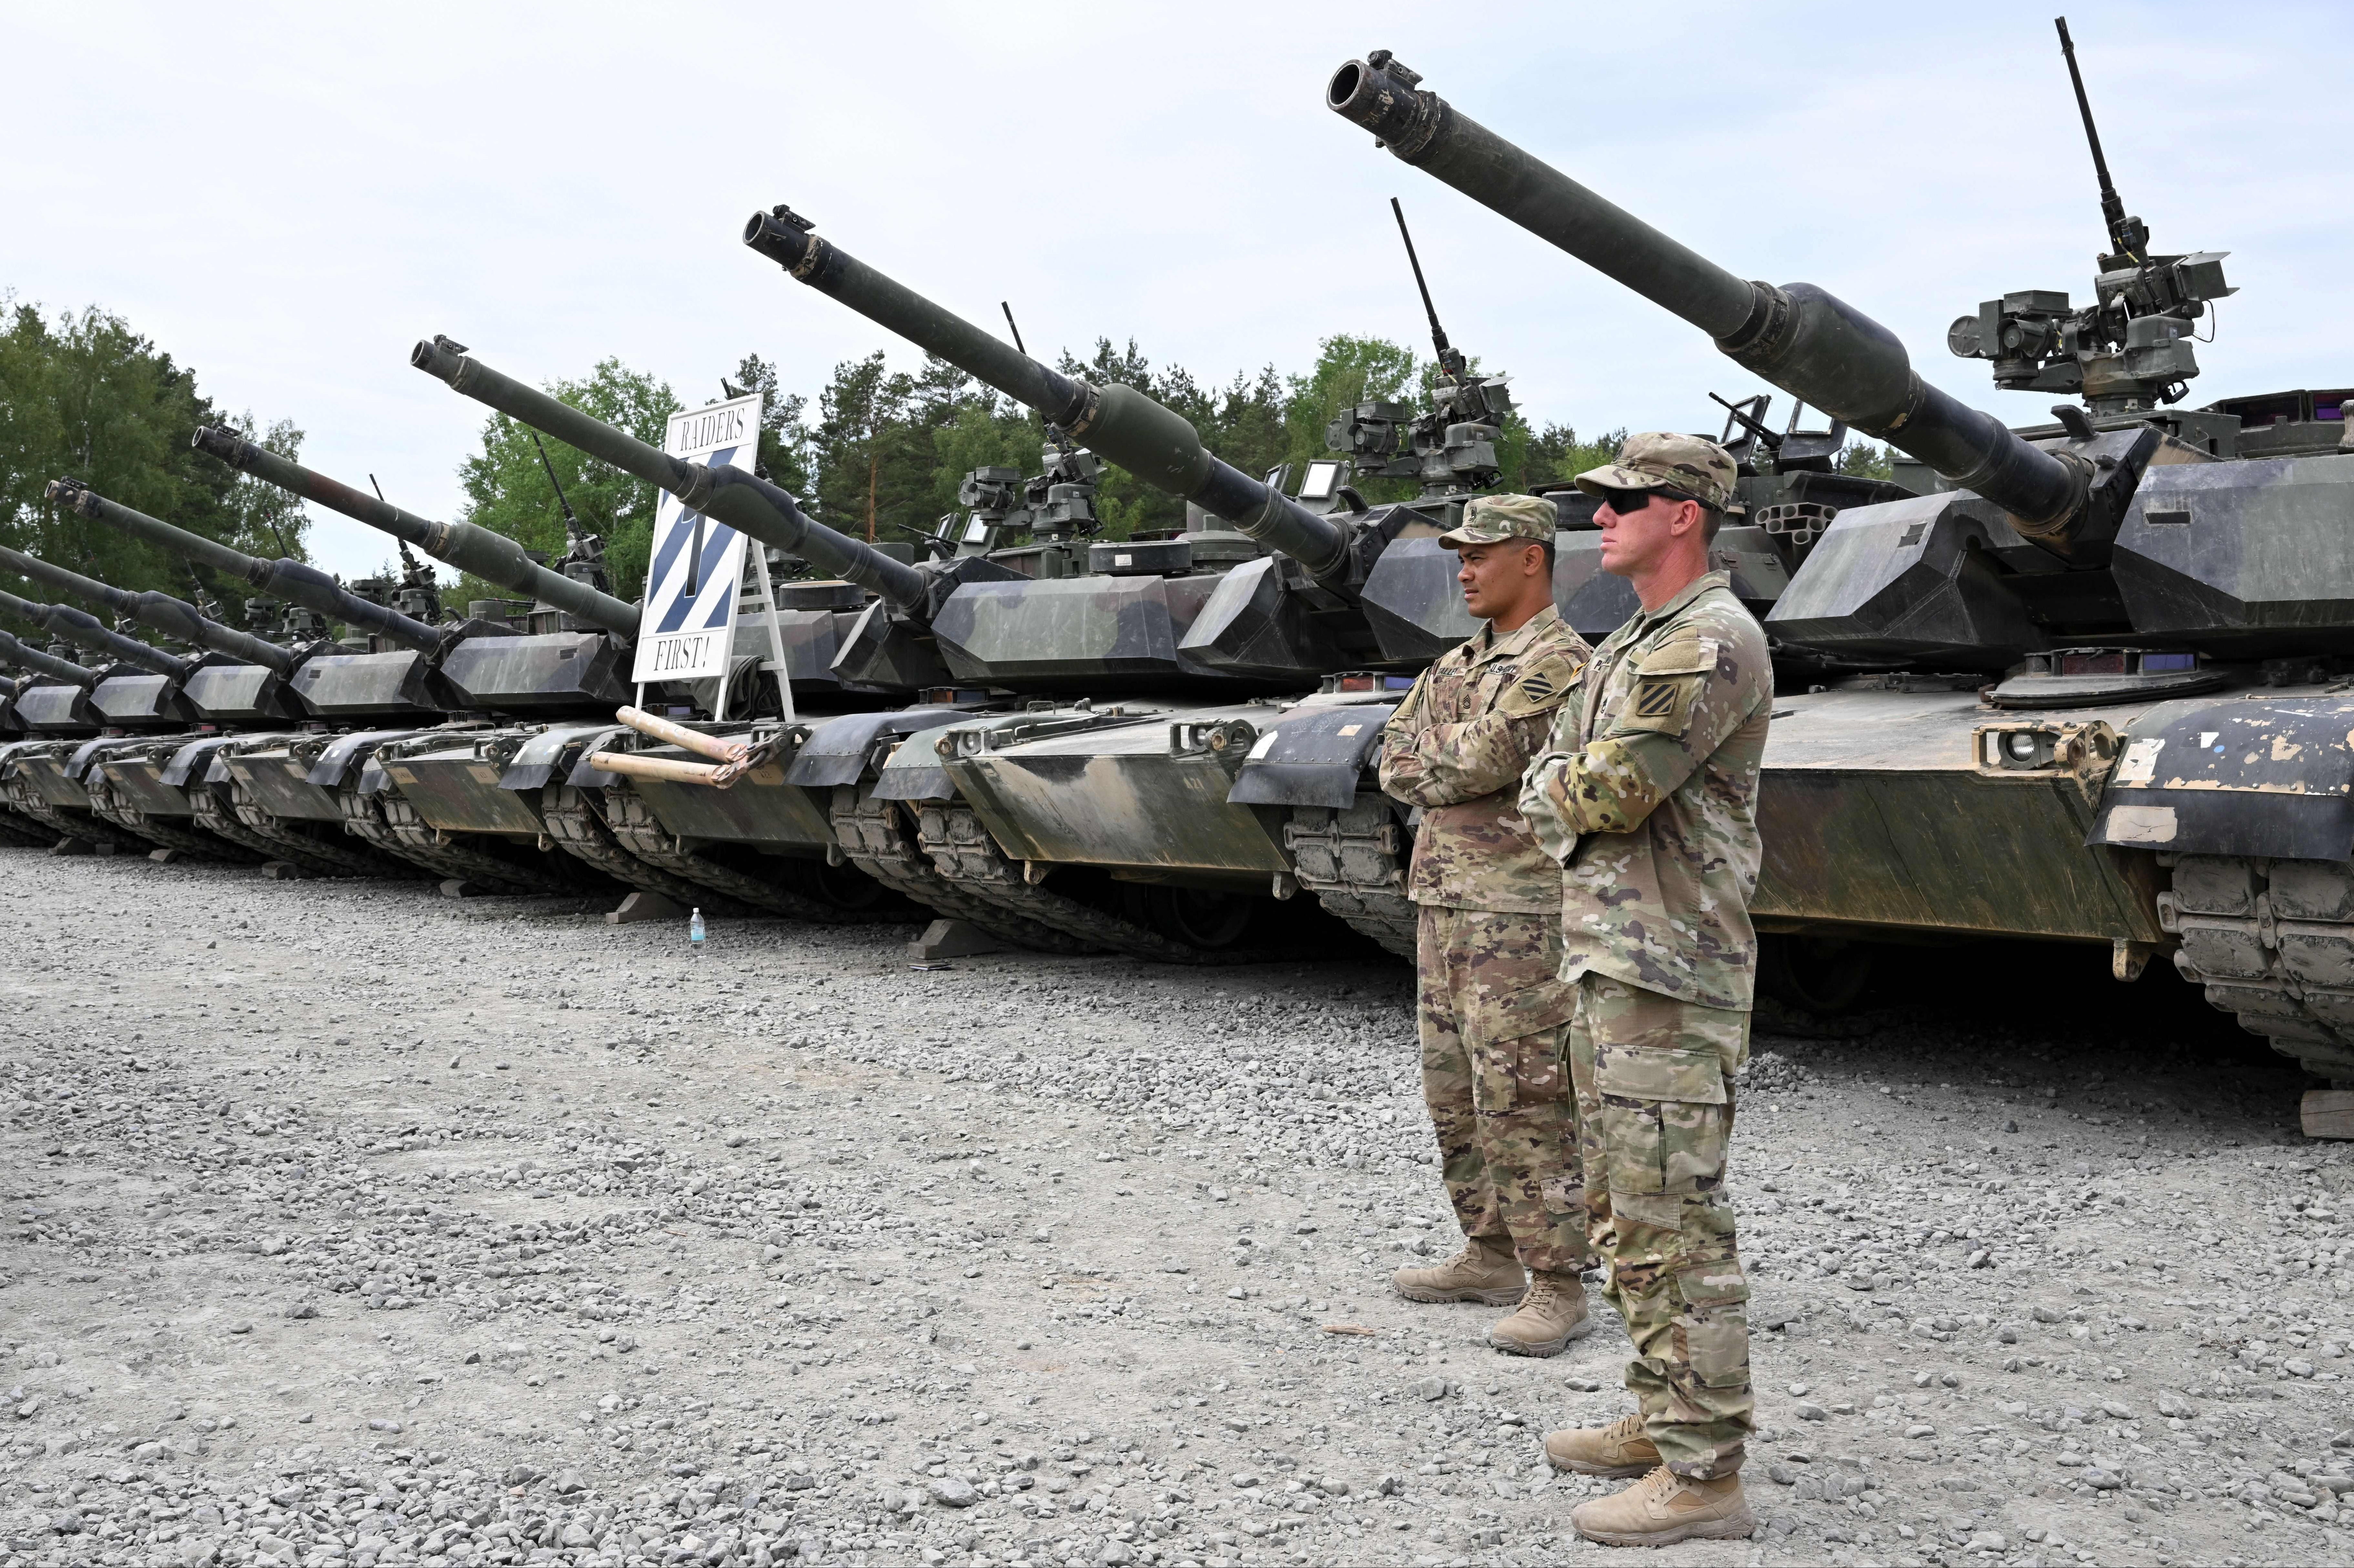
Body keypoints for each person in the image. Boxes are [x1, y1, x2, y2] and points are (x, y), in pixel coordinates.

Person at [1516, 433, 1772, 1547]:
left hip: (1668, 970)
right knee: (1625, 1212)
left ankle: (1705, 1475)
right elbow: (1560, 772)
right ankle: (1664, 1414)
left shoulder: (1708, 642)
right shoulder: (1634, 640)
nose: (1603, 514)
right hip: (1617, 961)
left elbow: (1605, 789)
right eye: (1601, 500)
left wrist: (1552, 783)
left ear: (1688, 515)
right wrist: (1554, 782)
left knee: (1674, 1221)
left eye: (1627, 500)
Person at [1376, 491, 1595, 1357]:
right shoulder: (1456, 662)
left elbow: (1493, 754)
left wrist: (1447, 755)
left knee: (1527, 1094)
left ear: (1532, 557)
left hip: (1520, 909)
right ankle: (1493, 1251)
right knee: (1454, 1093)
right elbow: (1393, 756)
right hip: (1444, 902)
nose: (1463, 569)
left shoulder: (1562, 661)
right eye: (1459, 555)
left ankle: (1557, 1282)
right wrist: (1447, 757)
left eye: (1481, 553)